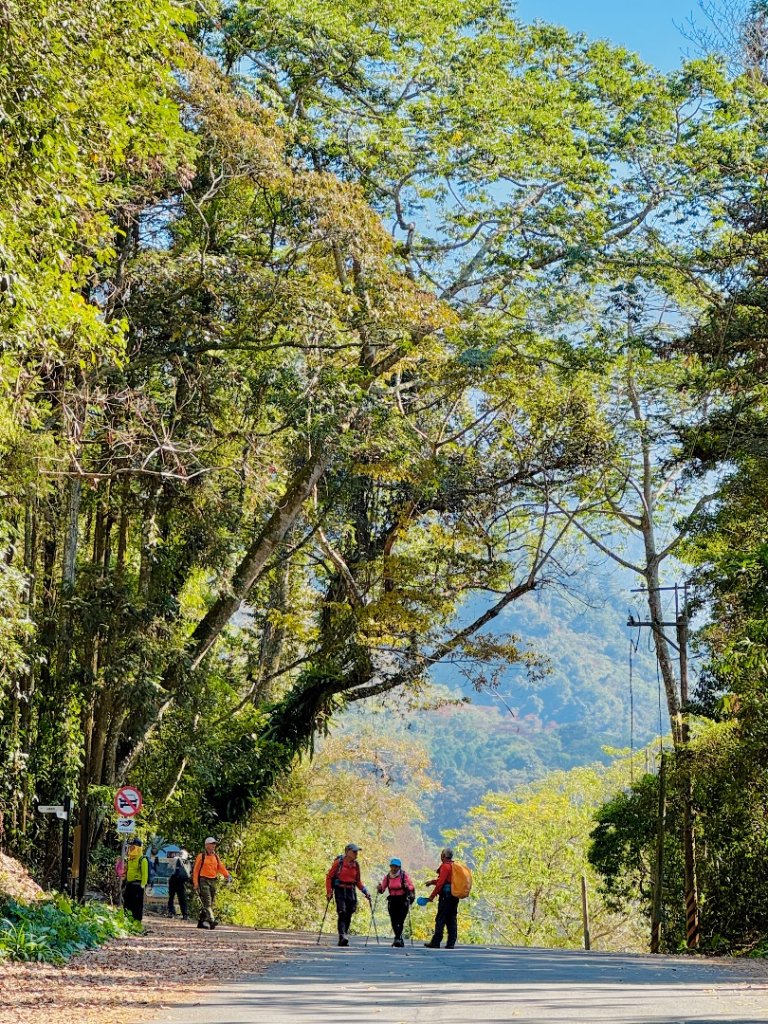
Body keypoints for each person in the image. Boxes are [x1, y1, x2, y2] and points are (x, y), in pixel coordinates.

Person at [325, 843, 371, 946]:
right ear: (347, 852)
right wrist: (329, 892)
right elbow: (329, 877)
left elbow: (358, 881)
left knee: (349, 913)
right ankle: (342, 935)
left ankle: (344, 935)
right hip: (340, 890)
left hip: (351, 891)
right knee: (342, 912)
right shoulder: (338, 863)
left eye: (357, 851)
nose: (356, 853)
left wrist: (365, 891)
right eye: (354, 851)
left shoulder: (356, 865)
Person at [193, 837, 231, 930]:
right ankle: (211, 920)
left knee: (209, 902)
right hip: (203, 880)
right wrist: (196, 883)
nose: (214, 846)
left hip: (213, 880)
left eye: (214, 844)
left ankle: (201, 922)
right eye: (212, 844)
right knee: (208, 901)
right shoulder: (201, 856)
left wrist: (227, 876)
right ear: (206, 845)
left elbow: (220, 867)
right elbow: (196, 871)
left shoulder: (216, 856)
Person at [424, 847, 459, 949]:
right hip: (454, 896)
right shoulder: (454, 866)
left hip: (446, 897)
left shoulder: (445, 866)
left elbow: (441, 884)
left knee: (441, 918)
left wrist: (431, 896)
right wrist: (431, 882)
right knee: (451, 919)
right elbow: (446, 881)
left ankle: (436, 942)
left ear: (443, 856)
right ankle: (451, 943)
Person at [377, 857, 415, 947]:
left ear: (399, 867)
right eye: (392, 866)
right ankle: (398, 938)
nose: (394, 869)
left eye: (396, 867)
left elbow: (411, 887)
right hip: (392, 900)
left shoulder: (404, 875)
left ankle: (398, 938)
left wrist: (406, 886)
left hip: (403, 900)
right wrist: (379, 888)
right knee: (394, 920)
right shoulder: (388, 877)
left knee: (400, 920)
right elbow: (382, 889)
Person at [122, 838, 148, 923]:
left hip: (138, 885)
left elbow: (145, 874)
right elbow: (127, 871)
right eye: (131, 846)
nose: (131, 848)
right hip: (129, 885)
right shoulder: (130, 859)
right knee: (127, 904)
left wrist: (143, 885)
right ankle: (127, 921)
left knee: (137, 905)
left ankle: (137, 922)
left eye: (133, 846)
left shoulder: (142, 859)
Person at [167, 849, 190, 920]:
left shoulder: (175, 859)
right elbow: (188, 873)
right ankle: (185, 914)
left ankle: (171, 912)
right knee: (182, 898)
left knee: (171, 897)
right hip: (181, 882)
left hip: (173, 880)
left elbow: (169, 868)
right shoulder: (187, 862)